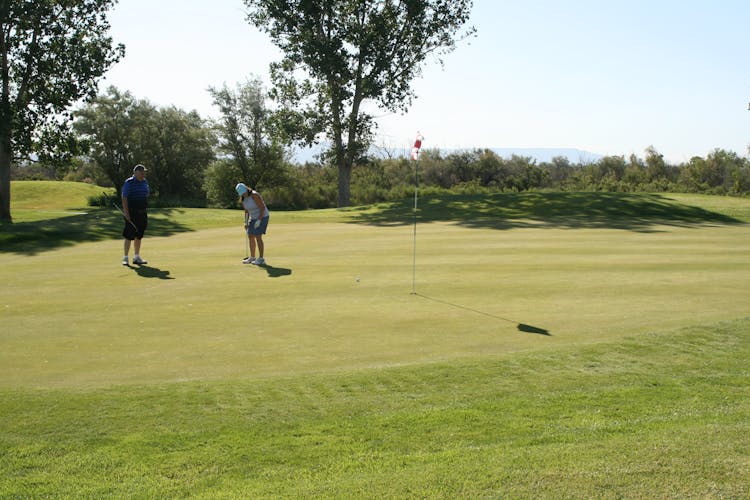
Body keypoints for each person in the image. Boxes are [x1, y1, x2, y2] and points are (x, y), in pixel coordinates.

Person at [121, 164, 150, 266]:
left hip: (142, 212)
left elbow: (146, 194)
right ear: (136, 172)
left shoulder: (145, 182)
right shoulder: (129, 182)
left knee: (139, 235)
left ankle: (136, 257)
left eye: (144, 172)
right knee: (129, 235)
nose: (143, 174)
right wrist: (126, 213)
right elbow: (124, 198)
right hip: (132, 213)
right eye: (142, 172)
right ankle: (125, 258)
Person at [236, 182, 270, 265]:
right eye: (241, 194)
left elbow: (262, 208)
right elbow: (247, 211)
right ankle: (252, 257)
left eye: (244, 192)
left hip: (263, 216)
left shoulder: (254, 195)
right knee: (250, 235)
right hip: (253, 217)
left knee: (258, 236)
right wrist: (246, 221)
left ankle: (261, 259)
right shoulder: (243, 199)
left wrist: (259, 220)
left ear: (246, 189)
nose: (243, 194)